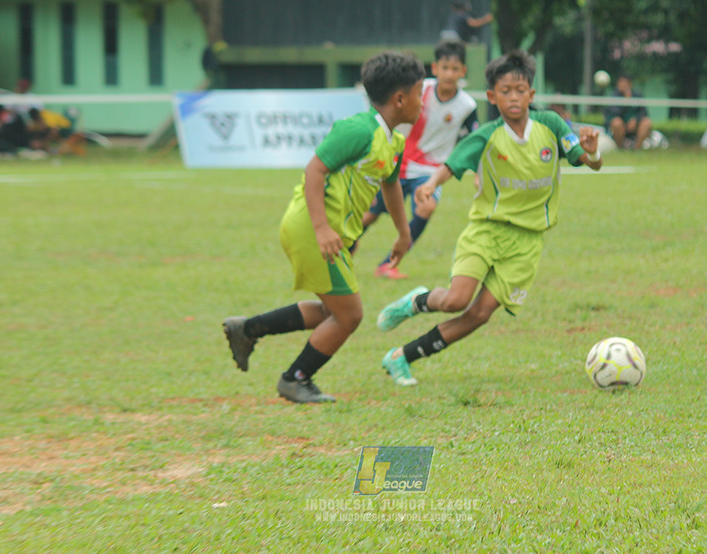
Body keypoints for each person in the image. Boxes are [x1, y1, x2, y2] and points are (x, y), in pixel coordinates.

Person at [374, 50, 603, 387]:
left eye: (520, 90)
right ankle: (416, 301)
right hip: (487, 231)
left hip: (527, 242)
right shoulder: (487, 135)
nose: (514, 97)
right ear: (493, 97)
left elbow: (588, 161)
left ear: (531, 95)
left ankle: (402, 357)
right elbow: (451, 165)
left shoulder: (551, 125)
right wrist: (430, 185)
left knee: (480, 314)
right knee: (456, 300)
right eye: (506, 91)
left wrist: (593, 150)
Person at [221, 51, 426, 404]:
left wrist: (404, 233)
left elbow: (390, 185)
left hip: (328, 233)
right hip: (311, 228)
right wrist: (321, 229)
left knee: (334, 312)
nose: (423, 103)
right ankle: (295, 379)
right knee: (350, 315)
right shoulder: (358, 129)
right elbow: (314, 170)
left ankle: (247, 329)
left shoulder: (392, 141)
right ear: (400, 98)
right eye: (420, 94)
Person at [356, 39, 479, 280]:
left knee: (427, 206)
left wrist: (479, 172)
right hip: (398, 163)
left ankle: (388, 264)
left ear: (463, 71)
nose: (449, 74)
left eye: (455, 69)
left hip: (430, 170)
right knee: (369, 215)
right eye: (445, 68)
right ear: (435, 68)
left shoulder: (467, 105)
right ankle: (345, 248)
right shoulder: (419, 90)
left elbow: (473, 142)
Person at [605, 74, 652, 150]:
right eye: (621, 82)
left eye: (625, 82)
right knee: (616, 122)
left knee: (646, 122)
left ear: (630, 84)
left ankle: (637, 149)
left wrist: (636, 120)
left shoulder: (637, 95)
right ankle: (620, 149)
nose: (623, 85)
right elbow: (614, 113)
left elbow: (644, 112)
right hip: (620, 127)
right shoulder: (614, 96)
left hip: (634, 127)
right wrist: (626, 101)